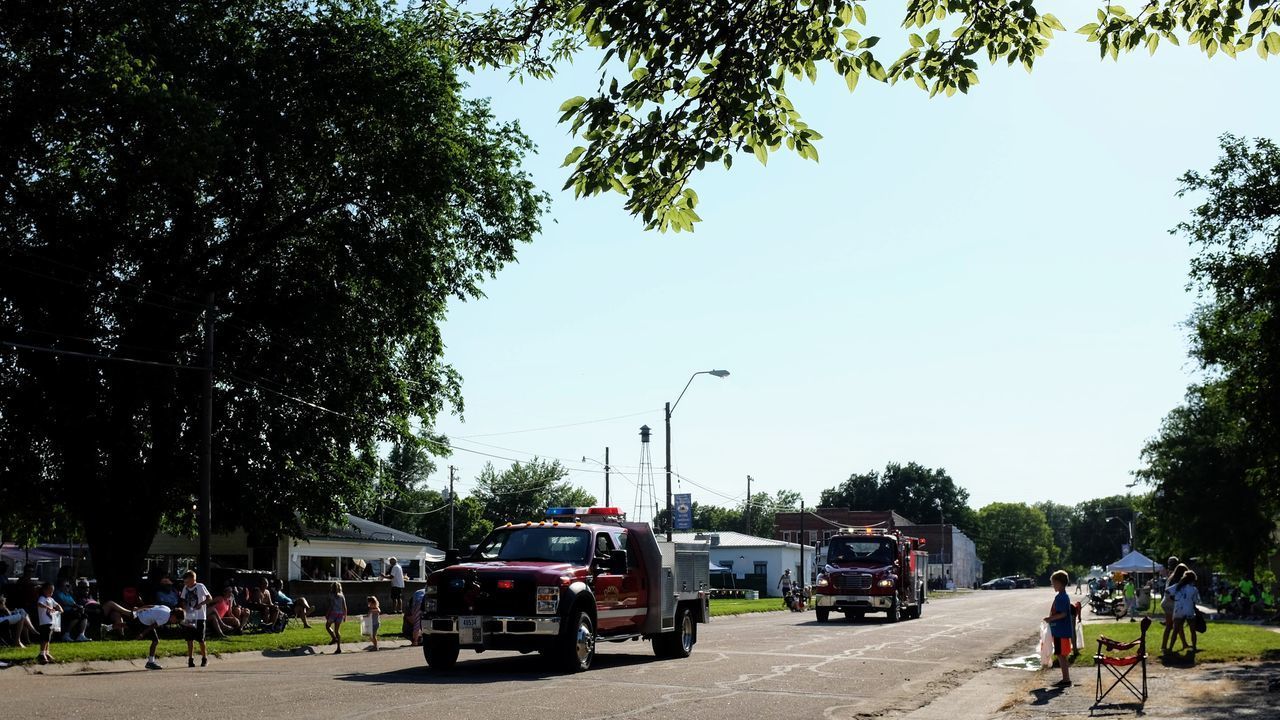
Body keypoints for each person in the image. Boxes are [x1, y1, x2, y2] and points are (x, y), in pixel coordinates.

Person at [1042, 570, 1074, 688]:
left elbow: (1063, 614)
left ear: (1060, 583)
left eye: (1054, 583)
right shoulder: (1063, 596)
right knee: (1061, 655)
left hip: (1061, 631)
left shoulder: (1061, 597)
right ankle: (1066, 678)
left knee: (1061, 655)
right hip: (1061, 631)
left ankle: (1066, 679)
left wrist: (1050, 618)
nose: (1053, 585)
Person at [178, 570, 213, 667]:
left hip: (200, 616)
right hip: (190, 616)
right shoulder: (185, 588)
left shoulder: (200, 586)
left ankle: (204, 658)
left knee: (201, 639)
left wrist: (201, 604)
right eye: (185, 582)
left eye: (188, 582)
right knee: (189, 639)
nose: (186, 584)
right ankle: (190, 658)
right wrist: (185, 607)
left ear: (193, 579)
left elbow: (209, 598)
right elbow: (183, 599)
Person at [1161, 563, 1189, 653]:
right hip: (1171, 604)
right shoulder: (1178, 581)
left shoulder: (1171, 578)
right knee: (1170, 625)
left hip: (1167, 603)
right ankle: (1164, 646)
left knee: (1178, 625)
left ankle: (1184, 643)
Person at [35, 583, 64, 665]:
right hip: (44, 622)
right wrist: (47, 607)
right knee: (44, 638)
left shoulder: (50, 599)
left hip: (51, 622)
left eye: (52, 591)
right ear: (44, 590)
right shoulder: (42, 598)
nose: (51, 593)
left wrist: (60, 609)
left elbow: (56, 604)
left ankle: (46, 652)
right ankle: (41, 653)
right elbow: (39, 604)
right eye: (50, 591)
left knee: (48, 638)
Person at [1173, 570, 1201, 652]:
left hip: (1179, 610)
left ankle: (1171, 647)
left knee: (1176, 630)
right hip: (1189, 610)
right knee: (1192, 630)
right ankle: (1194, 646)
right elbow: (1196, 600)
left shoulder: (1179, 587)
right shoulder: (1193, 589)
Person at [325, 582, 347, 654]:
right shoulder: (342, 595)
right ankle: (338, 648)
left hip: (333, 613)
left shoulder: (331, 595)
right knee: (337, 631)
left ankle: (334, 638)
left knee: (327, 626)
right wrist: (345, 616)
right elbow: (345, 607)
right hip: (340, 614)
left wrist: (327, 613)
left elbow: (331, 606)